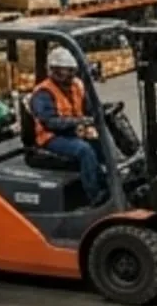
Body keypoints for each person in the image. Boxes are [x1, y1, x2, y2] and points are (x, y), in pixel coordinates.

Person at [30, 47, 106, 206]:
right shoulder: (43, 92)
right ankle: (95, 195)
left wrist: (97, 115)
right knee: (84, 150)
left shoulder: (76, 85)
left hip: (72, 131)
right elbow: (49, 122)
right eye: (67, 71)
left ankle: (108, 182)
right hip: (51, 137)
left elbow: (89, 108)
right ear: (55, 70)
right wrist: (78, 122)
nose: (71, 75)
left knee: (101, 141)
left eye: (72, 71)